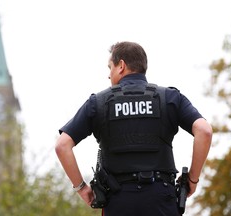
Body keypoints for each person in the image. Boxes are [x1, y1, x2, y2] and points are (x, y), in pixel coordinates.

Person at [55, 41, 212, 216]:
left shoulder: (98, 103)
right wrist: (192, 178)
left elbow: (62, 146)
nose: (109, 75)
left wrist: (81, 188)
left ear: (121, 66)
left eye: (110, 68)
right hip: (162, 200)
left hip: (118, 202)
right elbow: (204, 131)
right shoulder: (169, 98)